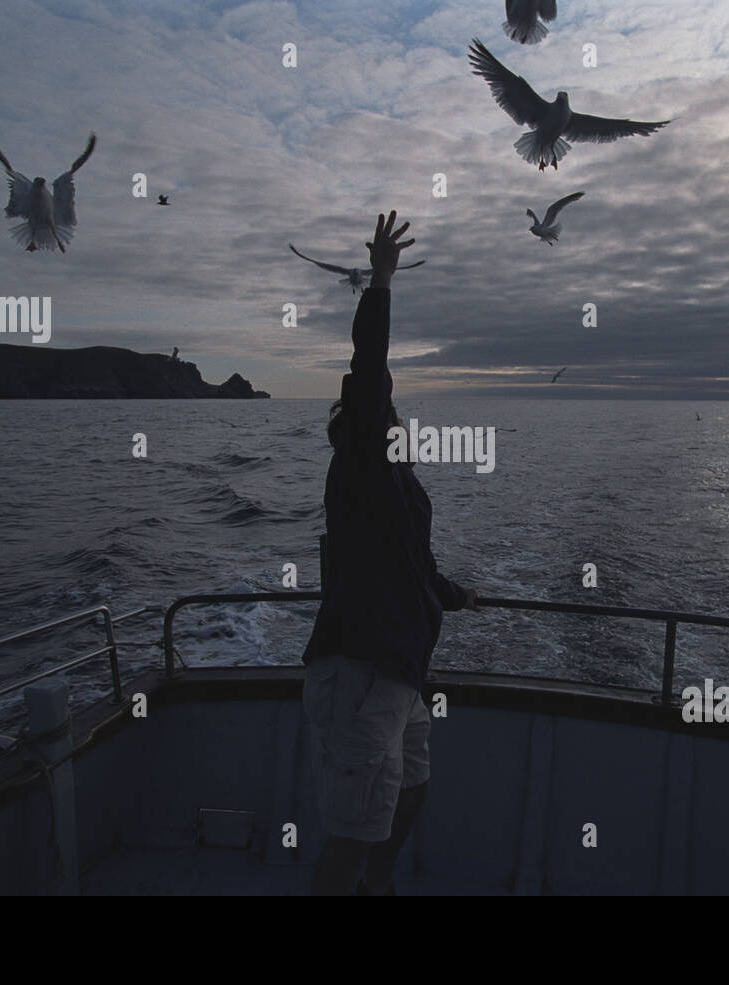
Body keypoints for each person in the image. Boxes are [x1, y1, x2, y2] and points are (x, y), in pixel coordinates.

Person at [302, 210, 478, 896]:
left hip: (401, 676)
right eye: (383, 410)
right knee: (350, 835)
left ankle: (377, 883)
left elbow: (416, 567)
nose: (395, 414)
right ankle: (359, 882)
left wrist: (453, 593)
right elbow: (368, 367)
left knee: (412, 792)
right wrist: (379, 280)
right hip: (360, 674)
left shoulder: (400, 485)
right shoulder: (362, 464)